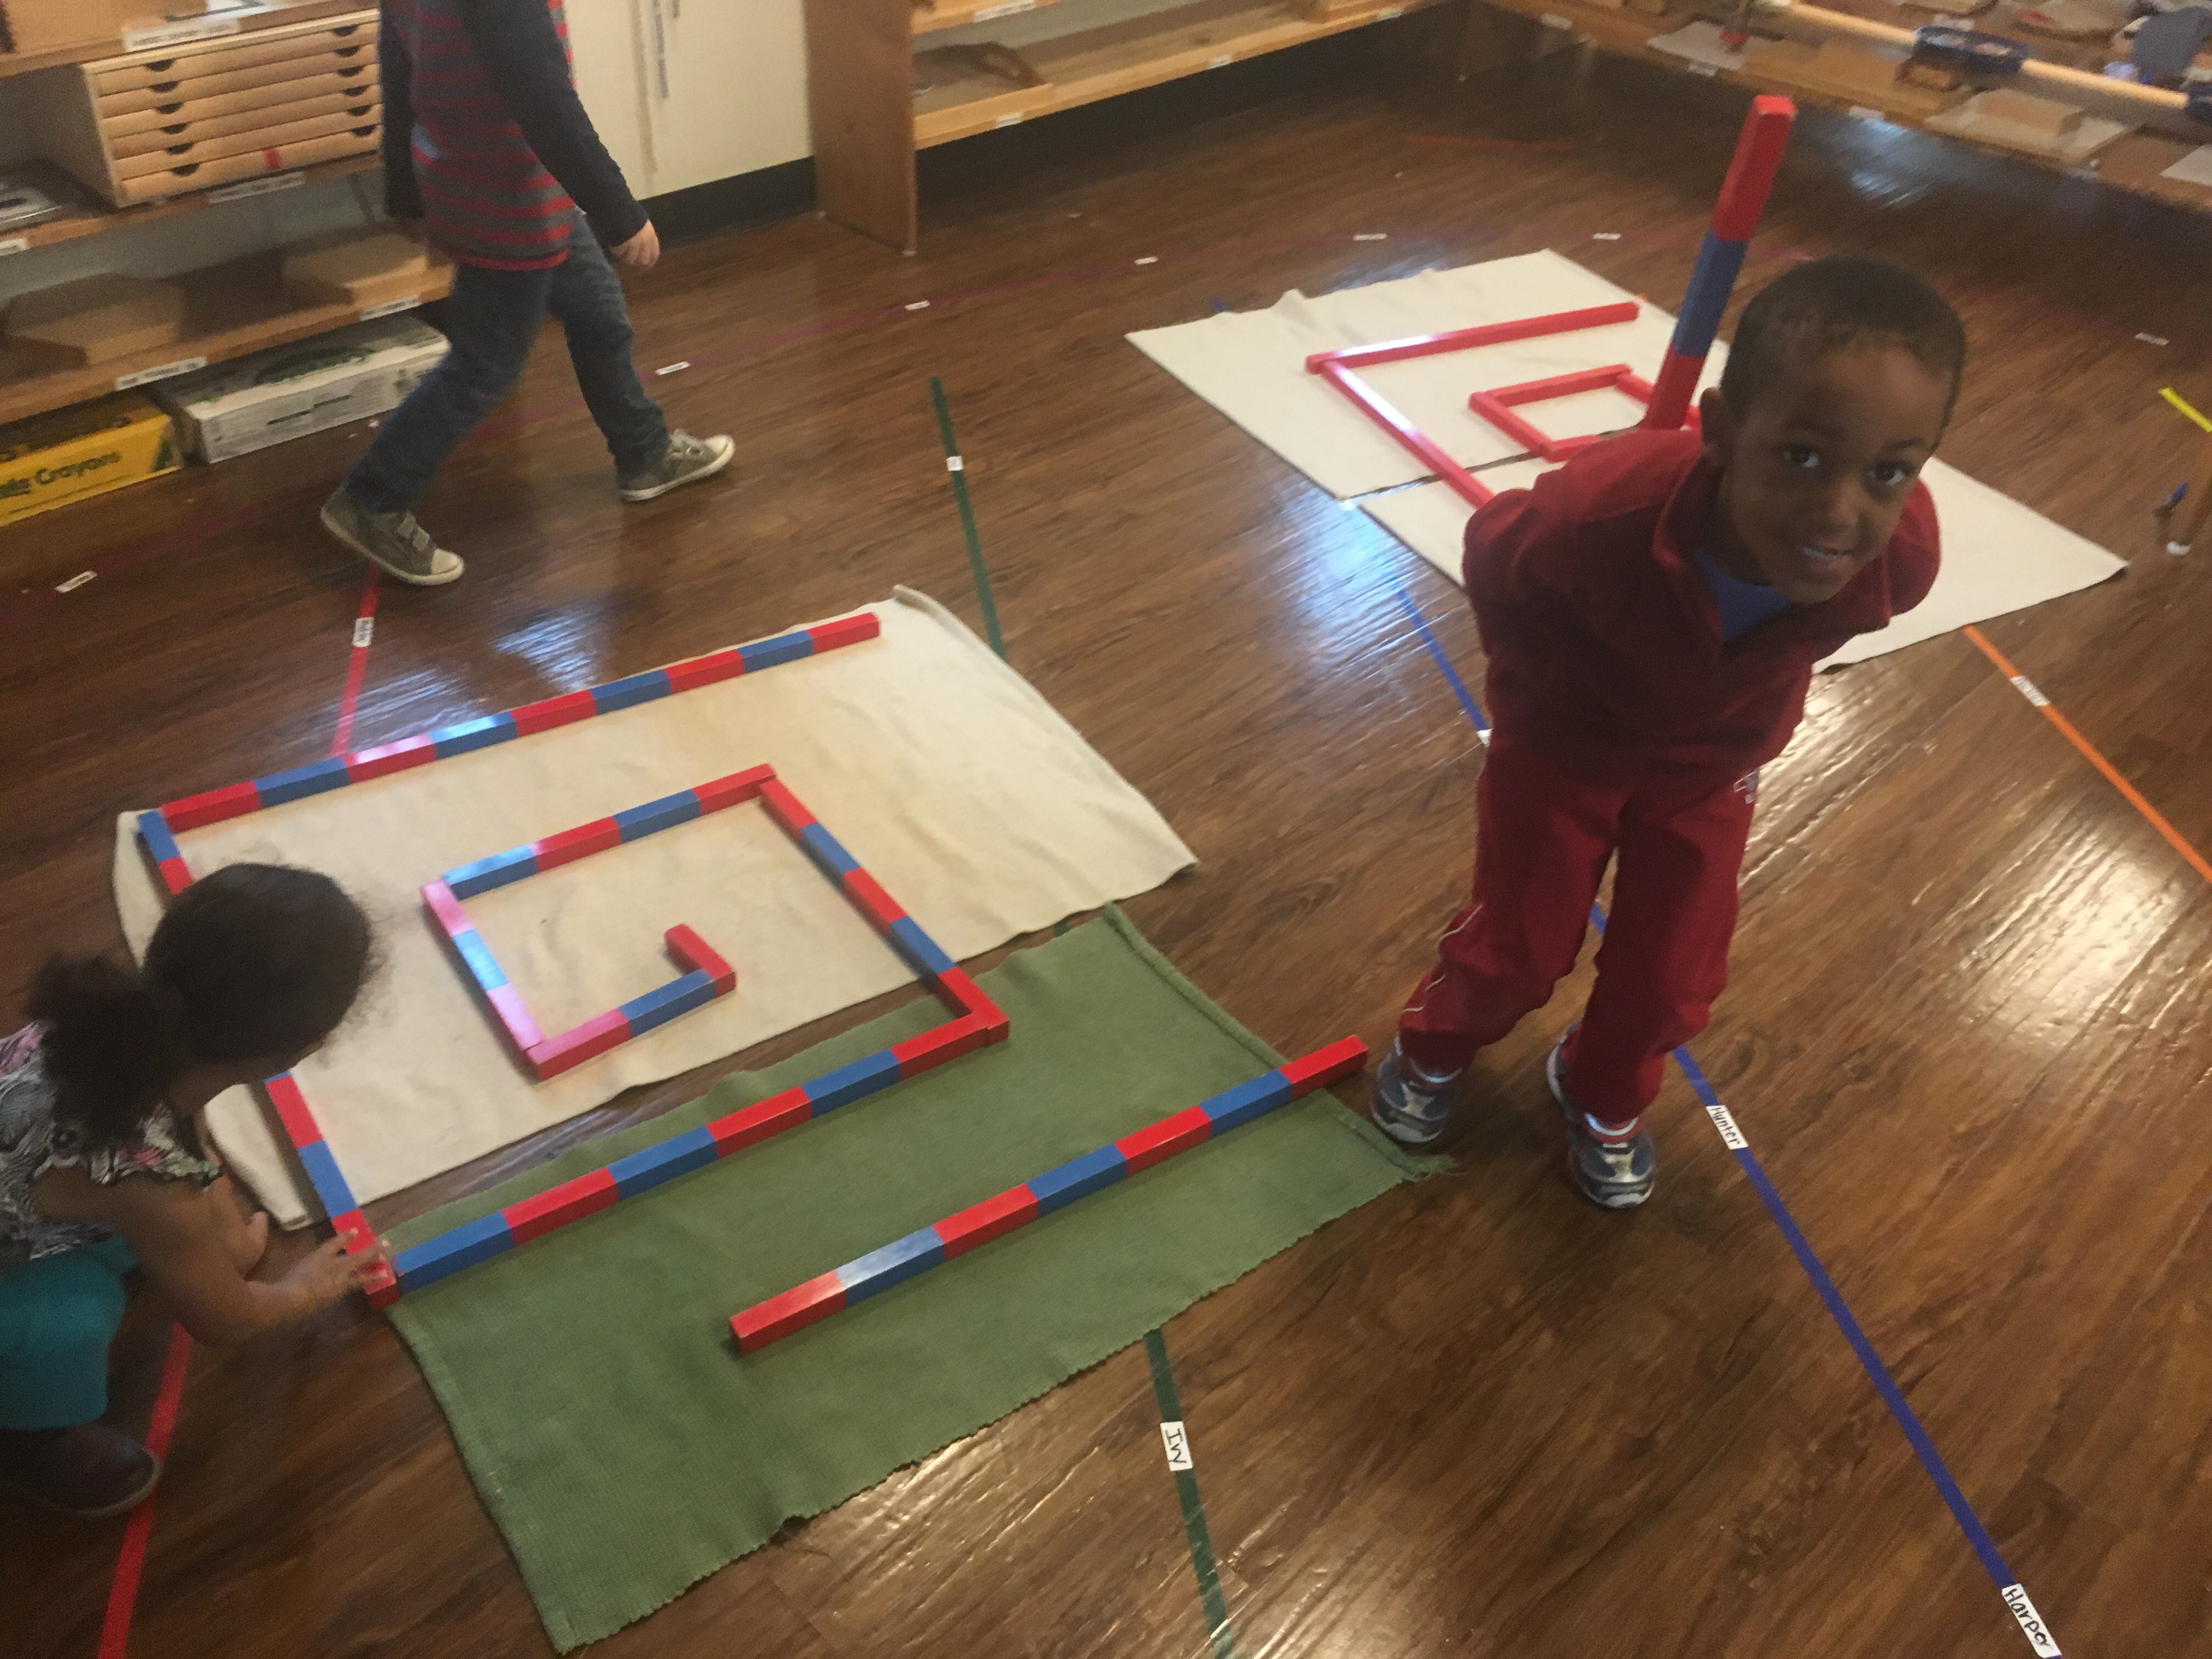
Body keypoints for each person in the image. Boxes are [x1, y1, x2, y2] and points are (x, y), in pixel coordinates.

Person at [1370, 256, 1964, 1209]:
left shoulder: (1899, 560)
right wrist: (1531, 691)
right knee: (1521, 940)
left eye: (1887, 471)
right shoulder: (1598, 513)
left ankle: (1602, 1088)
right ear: (1721, 432)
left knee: (1674, 970)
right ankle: (1434, 1045)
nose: (1837, 512)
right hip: (1566, 742)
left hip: (1710, 769)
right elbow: (1494, 555)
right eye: (1802, 456)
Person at [0, 865, 383, 1518]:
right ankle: (31, 1439)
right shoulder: (150, 1183)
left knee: (136, 1237)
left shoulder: (116, 1033)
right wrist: (301, 1291)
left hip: (35, 1197)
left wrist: (223, 1237)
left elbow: (184, 1141)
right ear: (295, 1051)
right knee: (75, 1313)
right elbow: (224, 1321)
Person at [321, 0, 735, 586]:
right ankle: (372, 497)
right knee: (483, 366)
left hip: (510, 183)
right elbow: (542, 96)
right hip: (507, 198)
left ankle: (645, 453)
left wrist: (406, 191)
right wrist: (620, 213)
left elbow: (399, 66)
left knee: (599, 315)